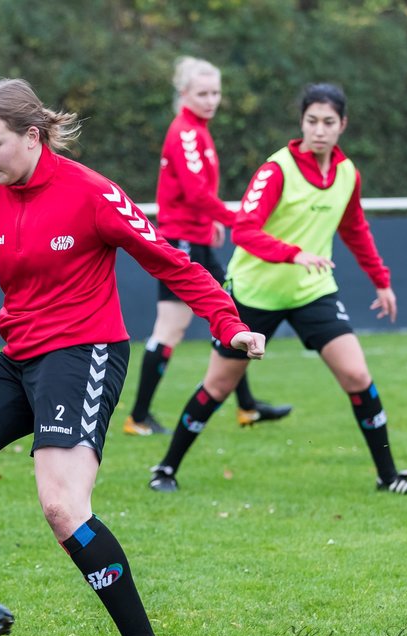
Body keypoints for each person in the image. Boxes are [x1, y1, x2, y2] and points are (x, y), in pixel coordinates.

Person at [0, 78, 266, 636]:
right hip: (20, 358)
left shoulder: (91, 194)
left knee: (63, 507)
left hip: (84, 353)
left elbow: (171, 261)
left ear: (31, 137)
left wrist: (229, 323)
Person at [149, 83, 407, 495]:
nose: (319, 130)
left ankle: (388, 478)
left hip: (311, 292)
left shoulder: (347, 174)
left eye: (328, 122)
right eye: (312, 121)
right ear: (302, 123)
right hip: (254, 293)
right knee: (219, 386)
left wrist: (381, 281)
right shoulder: (276, 170)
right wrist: (294, 254)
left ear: (343, 125)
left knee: (356, 374)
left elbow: (355, 229)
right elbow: (245, 232)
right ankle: (165, 469)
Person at [124, 56, 291, 437]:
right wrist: (237, 219)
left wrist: (213, 221)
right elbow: (197, 193)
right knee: (171, 329)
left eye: (215, 92)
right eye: (202, 93)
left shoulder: (198, 130)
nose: (211, 99)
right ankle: (138, 416)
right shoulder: (185, 131)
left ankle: (246, 406)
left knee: (229, 311)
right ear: (184, 94)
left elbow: (196, 194)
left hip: (195, 238)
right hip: (180, 242)